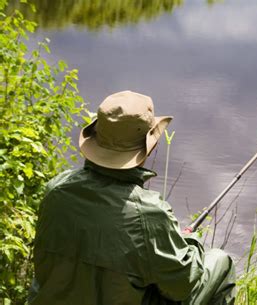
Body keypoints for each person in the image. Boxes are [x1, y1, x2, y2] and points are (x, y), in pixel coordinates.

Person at [28, 90, 236, 305]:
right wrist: (190, 241)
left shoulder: (56, 189)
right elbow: (182, 286)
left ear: (95, 138)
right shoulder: (150, 213)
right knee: (221, 262)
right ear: (148, 147)